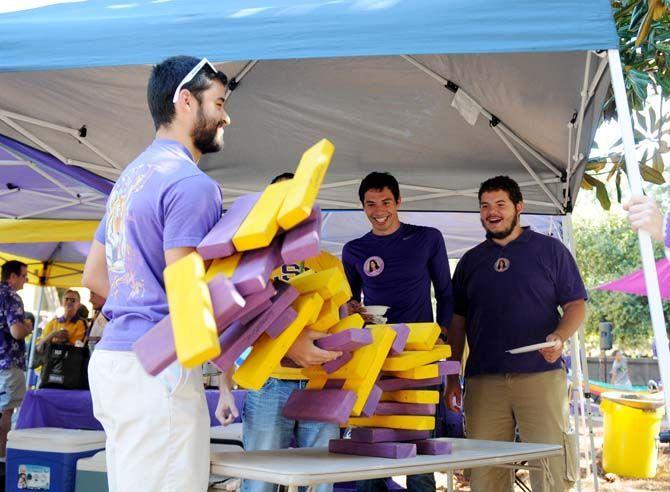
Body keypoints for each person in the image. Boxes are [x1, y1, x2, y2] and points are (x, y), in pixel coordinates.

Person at [82, 55, 231, 492]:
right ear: (186, 101)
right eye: (219, 103)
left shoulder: (128, 179)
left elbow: (94, 275)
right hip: (157, 369)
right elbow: (187, 294)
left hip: (114, 361)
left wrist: (138, 305)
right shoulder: (191, 183)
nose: (226, 116)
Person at [445, 176, 587, 492]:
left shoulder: (550, 250)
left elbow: (577, 304)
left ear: (518, 207)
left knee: (551, 472)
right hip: (483, 382)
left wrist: (560, 337)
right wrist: (453, 377)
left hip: (541, 376)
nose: (492, 212)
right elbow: (457, 324)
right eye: (485, 206)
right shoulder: (470, 261)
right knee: (486, 475)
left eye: (500, 204)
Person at [218, 172, 341, 492]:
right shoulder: (251, 260)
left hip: (321, 385)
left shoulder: (329, 262)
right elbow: (233, 328)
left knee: (321, 484)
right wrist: (224, 387)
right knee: (260, 482)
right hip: (268, 383)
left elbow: (341, 325)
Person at [342, 172, 453, 492]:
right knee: (372, 449)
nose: (379, 210)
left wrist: (442, 334)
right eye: (371, 204)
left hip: (419, 356)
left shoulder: (427, 238)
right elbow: (349, 301)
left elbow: (445, 293)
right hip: (375, 358)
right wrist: (351, 311)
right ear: (362, 206)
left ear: (399, 201)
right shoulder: (354, 250)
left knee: (419, 450)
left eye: (386, 202)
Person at [0, 260, 32, 459]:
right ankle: (2, 457)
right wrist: (27, 326)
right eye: (23, 276)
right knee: (5, 411)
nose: (25, 281)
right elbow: (17, 332)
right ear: (12, 277)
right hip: (8, 362)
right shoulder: (12, 297)